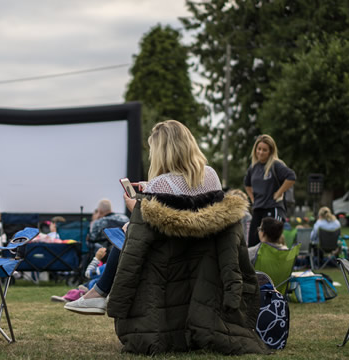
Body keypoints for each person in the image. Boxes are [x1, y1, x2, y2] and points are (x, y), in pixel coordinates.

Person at [66, 120, 266, 355]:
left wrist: (135, 207)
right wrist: (149, 188)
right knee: (130, 231)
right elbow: (189, 197)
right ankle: (98, 293)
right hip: (201, 260)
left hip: (166, 263)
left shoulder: (162, 184)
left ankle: (99, 293)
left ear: (163, 151)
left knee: (129, 233)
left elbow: (153, 220)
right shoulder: (210, 175)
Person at [244, 134, 296, 247]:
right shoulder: (253, 167)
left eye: (264, 150)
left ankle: (277, 264)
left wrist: (279, 192)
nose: (261, 152)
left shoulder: (276, 165)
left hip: (273, 209)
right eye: (259, 149)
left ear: (270, 151)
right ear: (255, 149)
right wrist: (253, 198)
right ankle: (255, 265)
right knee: (252, 244)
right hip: (258, 209)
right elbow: (247, 185)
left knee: (271, 244)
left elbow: (291, 177)